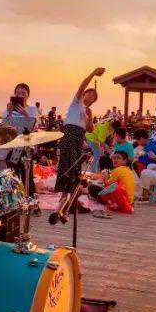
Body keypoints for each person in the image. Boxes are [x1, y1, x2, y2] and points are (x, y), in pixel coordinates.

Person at [56, 67, 105, 216]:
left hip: (79, 137)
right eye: (89, 93)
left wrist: (89, 118)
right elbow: (82, 85)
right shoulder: (76, 103)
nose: (91, 96)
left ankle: (72, 202)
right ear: (84, 94)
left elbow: (90, 129)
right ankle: (63, 203)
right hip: (69, 135)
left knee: (76, 170)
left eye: (94, 96)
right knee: (67, 168)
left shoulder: (87, 111)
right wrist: (93, 73)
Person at [0, 82, 39, 191]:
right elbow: (4, 127)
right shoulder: (8, 110)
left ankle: (30, 198)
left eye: (23, 93)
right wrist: (9, 113)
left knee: (27, 177)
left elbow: (34, 127)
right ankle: (16, 199)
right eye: (18, 93)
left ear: (28, 96)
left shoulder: (32, 109)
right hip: (12, 146)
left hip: (26, 146)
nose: (20, 96)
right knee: (12, 177)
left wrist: (26, 114)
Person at [87, 150, 137, 215]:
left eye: (118, 158)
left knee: (92, 188)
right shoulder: (128, 170)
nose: (115, 160)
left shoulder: (118, 170)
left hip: (121, 201)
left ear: (125, 161)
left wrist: (105, 178)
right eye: (114, 158)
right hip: (129, 201)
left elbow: (108, 187)